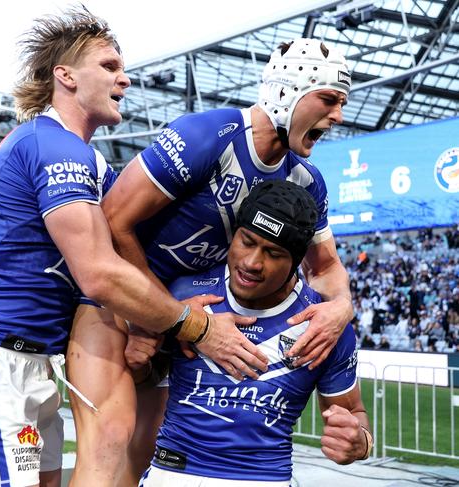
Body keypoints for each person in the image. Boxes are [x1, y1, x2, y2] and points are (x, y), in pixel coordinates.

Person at [0, 8, 265, 487]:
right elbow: (99, 274)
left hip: (34, 368)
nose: (124, 79)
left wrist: (150, 320)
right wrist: (197, 326)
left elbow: (125, 257)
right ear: (65, 76)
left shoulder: (88, 162)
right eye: (108, 66)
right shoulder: (52, 145)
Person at [66, 38, 355, 485]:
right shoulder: (208, 135)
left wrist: (341, 308)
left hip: (186, 314)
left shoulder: (304, 179)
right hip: (124, 306)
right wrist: (158, 317)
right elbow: (113, 219)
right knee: (110, 437)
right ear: (290, 90)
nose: (338, 115)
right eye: (329, 99)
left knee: (145, 449)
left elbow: (327, 267)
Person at [128, 180, 371, 485]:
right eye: (247, 241)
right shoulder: (184, 293)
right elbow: (151, 379)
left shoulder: (324, 324)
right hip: (172, 471)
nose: (252, 262)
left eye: (273, 252)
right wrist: (139, 366)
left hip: (260, 479)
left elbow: (353, 412)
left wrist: (360, 442)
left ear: (296, 262)